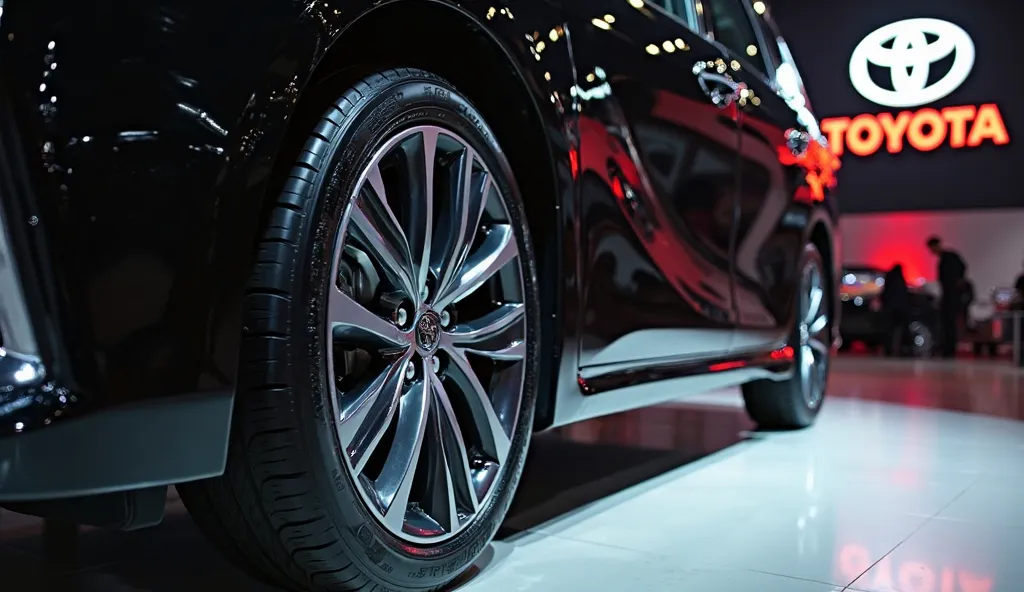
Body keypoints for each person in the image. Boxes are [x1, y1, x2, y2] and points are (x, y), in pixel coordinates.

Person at [927, 236, 967, 358]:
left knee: (949, 323)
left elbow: (961, 269)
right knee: (947, 323)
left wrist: (957, 282)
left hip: (951, 296)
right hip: (949, 295)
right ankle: (947, 348)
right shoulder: (946, 258)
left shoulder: (949, 257)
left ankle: (949, 349)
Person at [880, 264, 911, 357]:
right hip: (900, 310)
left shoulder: (889, 279)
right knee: (901, 330)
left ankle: (888, 350)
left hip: (890, 309)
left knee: (889, 331)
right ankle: (901, 349)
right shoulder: (901, 281)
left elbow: (885, 294)